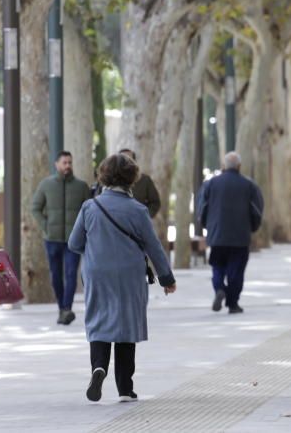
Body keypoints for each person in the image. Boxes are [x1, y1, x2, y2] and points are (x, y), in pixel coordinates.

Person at [69, 154, 176, 403]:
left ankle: (99, 368)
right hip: (130, 275)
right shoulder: (138, 210)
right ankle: (125, 388)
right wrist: (166, 278)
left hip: (97, 273)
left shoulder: (90, 207)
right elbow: (153, 246)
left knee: (98, 320)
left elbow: (74, 243)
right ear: (132, 179)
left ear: (103, 176)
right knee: (127, 325)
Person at [197, 152, 264, 314]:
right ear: (239, 166)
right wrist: (253, 228)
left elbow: (202, 209)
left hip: (217, 235)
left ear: (224, 165)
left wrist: (208, 227)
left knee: (217, 266)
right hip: (240, 236)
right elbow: (257, 210)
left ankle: (219, 288)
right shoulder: (249, 185)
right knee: (236, 271)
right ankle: (233, 303)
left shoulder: (210, 184)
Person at [31, 150, 91, 325]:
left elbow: (88, 211)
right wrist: (46, 226)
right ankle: (61, 307)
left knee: (71, 274)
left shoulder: (81, 186)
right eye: (64, 162)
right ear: (56, 164)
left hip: (74, 240)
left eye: (70, 162)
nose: (67, 166)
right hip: (52, 239)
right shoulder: (46, 185)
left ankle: (67, 308)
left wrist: (83, 232)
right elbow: (35, 208)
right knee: (56, 275)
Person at [117, 149, 162, 218]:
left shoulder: (144, 180)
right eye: (122, 160)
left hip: (137, 224)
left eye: (128, 160)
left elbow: (155, 203)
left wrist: (144, 216)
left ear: (134, 162)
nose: (125, 164)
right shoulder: (111, 181)